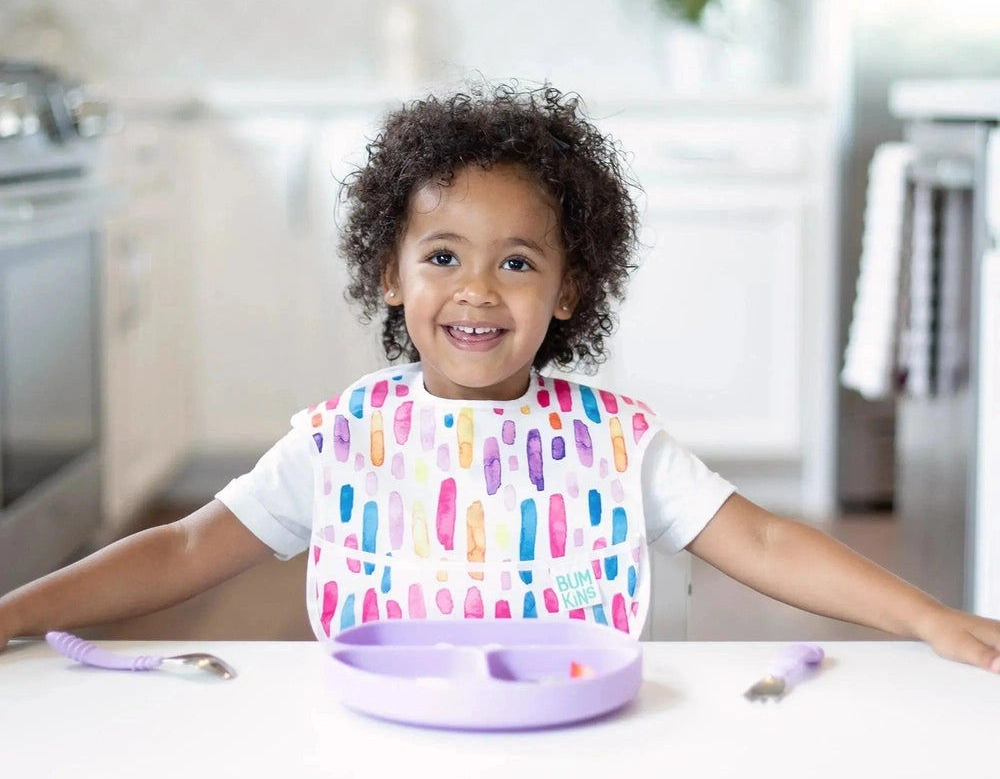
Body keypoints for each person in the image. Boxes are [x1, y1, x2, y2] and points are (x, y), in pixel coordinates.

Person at [1, 82, 998, 671]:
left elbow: (767, 541)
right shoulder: (342, 442)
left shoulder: (618, 444)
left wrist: (926, 617)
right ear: (389, 274)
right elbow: (182, 549)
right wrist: (17, 611)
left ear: (569, 290)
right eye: (442, 256)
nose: (476, 289)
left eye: (517, 262)